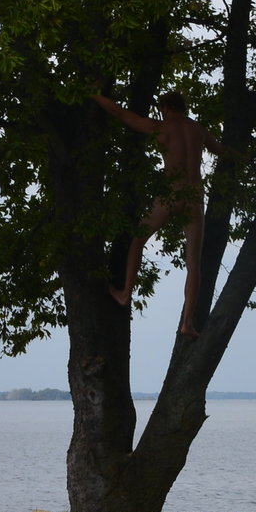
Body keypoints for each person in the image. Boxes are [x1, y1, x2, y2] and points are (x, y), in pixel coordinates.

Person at [92, 88, 222, 336]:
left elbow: (121, 113)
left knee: (138, 240)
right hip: (194, 196)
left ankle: (124, 294)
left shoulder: (161, 128)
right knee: (194, 262)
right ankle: (187, 322)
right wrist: (245, 157)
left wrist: (96, 96)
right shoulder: (199, 130)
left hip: (171, 193)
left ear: (164, 108)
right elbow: (220, 150)